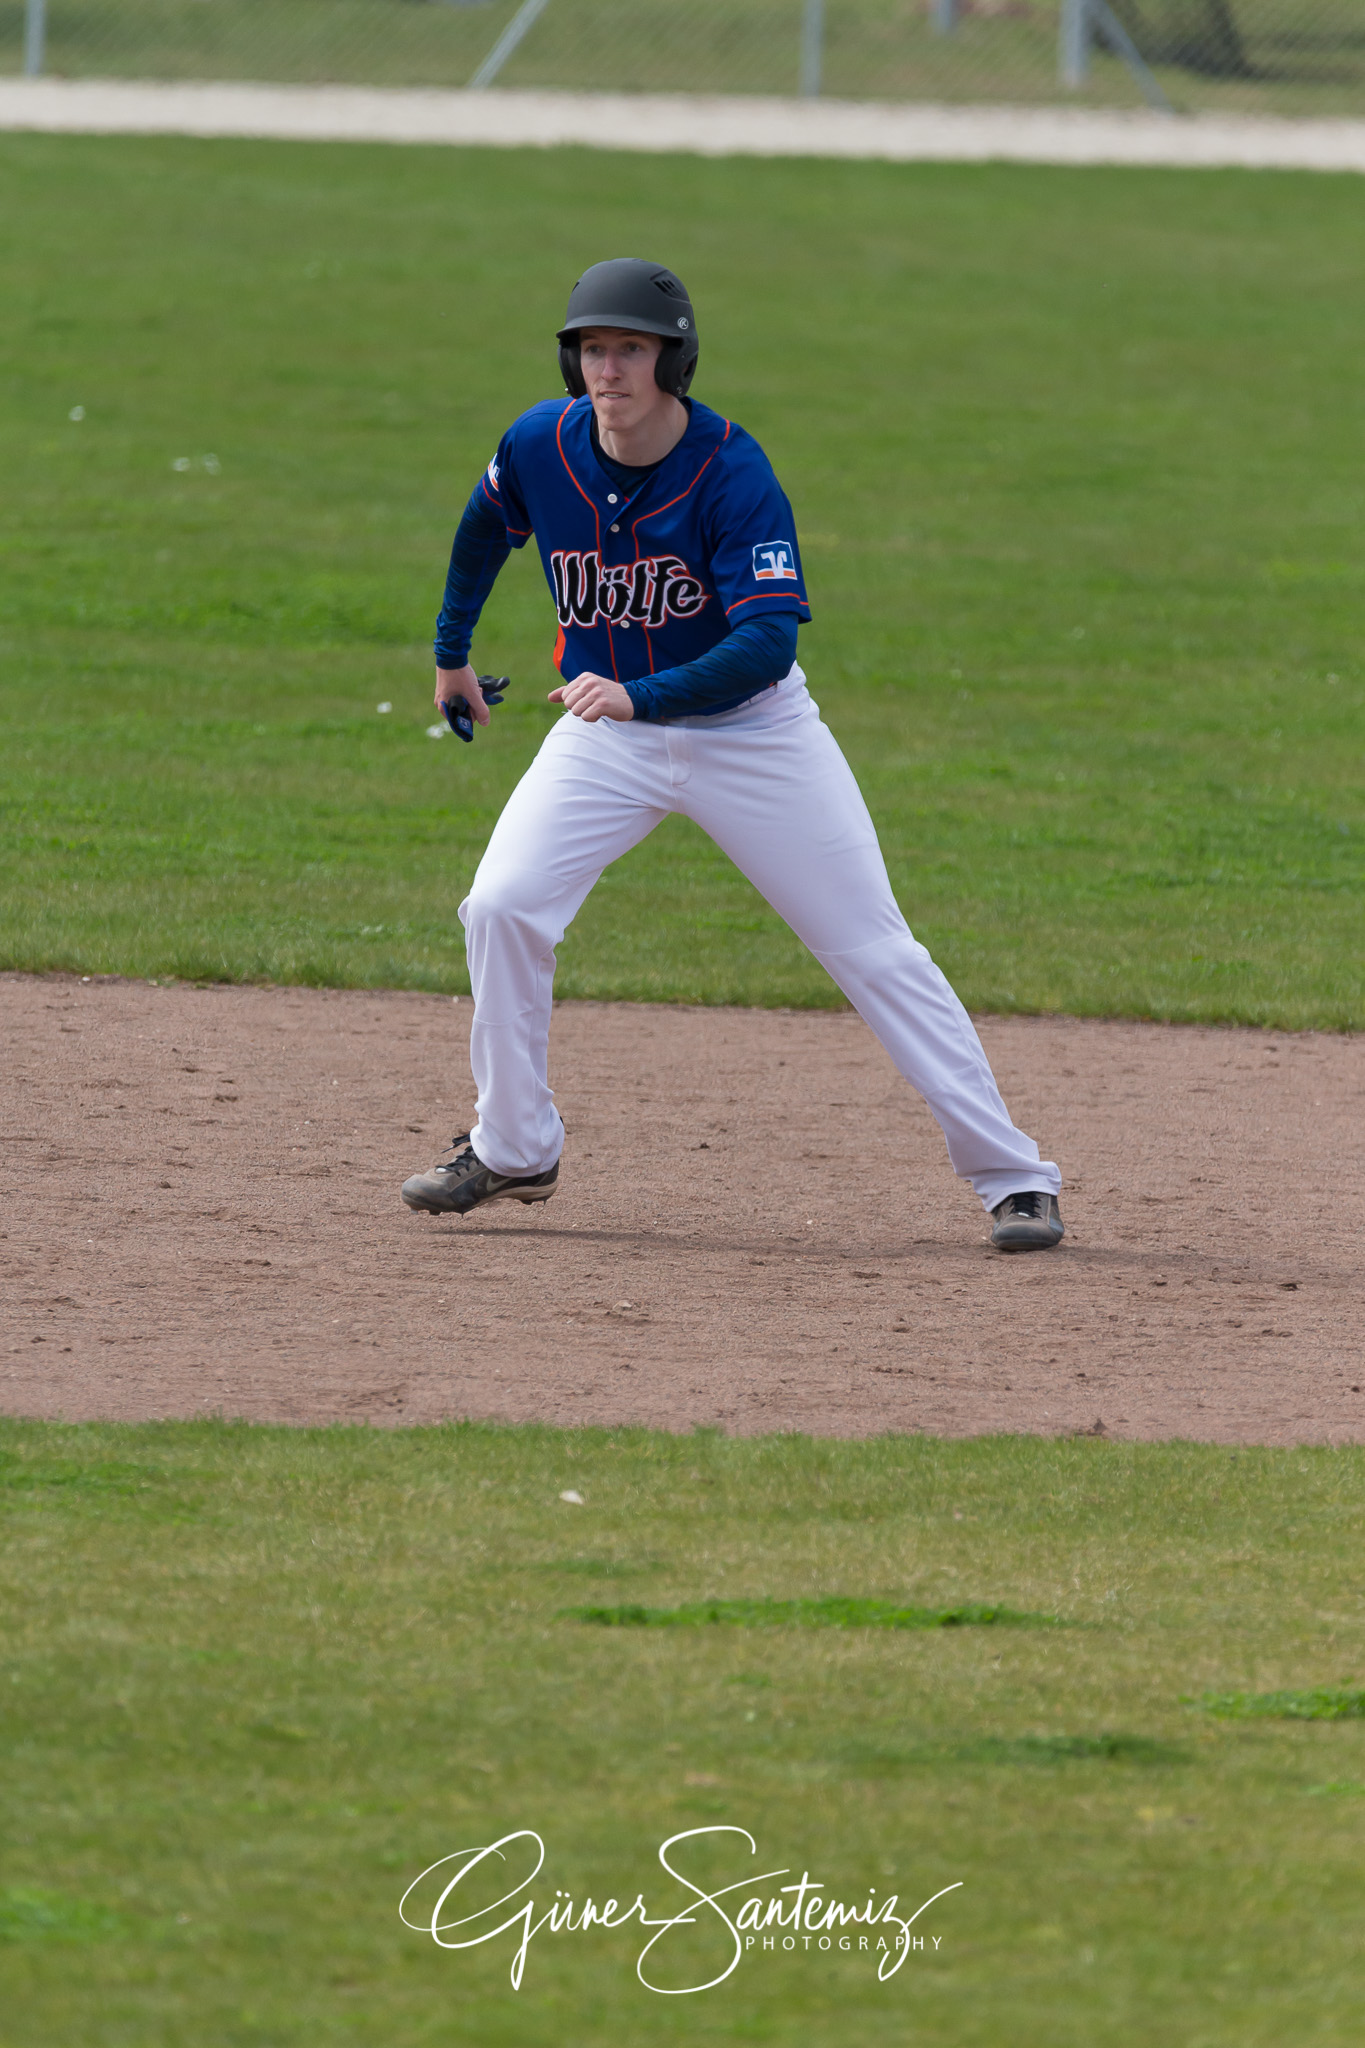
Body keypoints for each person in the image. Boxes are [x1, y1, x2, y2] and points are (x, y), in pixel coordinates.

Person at [401, 259, 1064, 1251]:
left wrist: (639, 694)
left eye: (630, 349)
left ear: (675, 359)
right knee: (501, 905)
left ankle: (1015, 1177)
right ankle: (514, 1146)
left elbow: (765, 643)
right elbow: (484, 527)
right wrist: (451, 653)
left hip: (756, 737)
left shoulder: (730, 471)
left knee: (874, 949)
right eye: (592, 348)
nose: (608, 370)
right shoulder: (541, 443)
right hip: (606, 742)